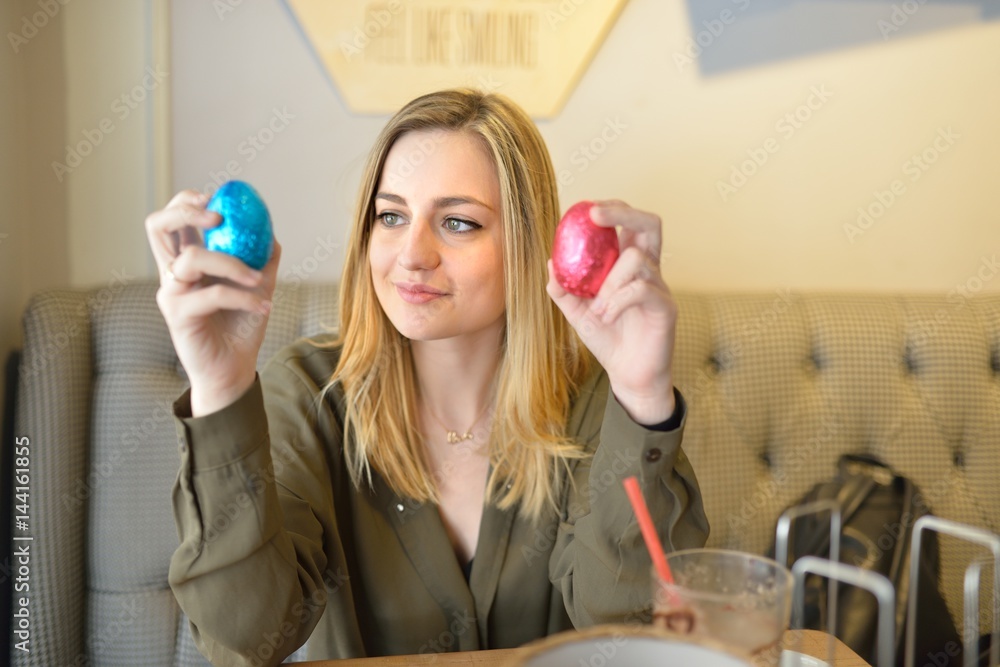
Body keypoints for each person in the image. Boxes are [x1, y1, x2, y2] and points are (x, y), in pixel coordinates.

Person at [145, 88, 709, 666]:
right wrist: (220, 388)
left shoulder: (593, 403)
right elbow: (247, 638)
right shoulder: (310, 395)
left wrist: (642, 396)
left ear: (526, 243)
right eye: (391, 216)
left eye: (458, 222)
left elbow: (635, 634)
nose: (412, 254)